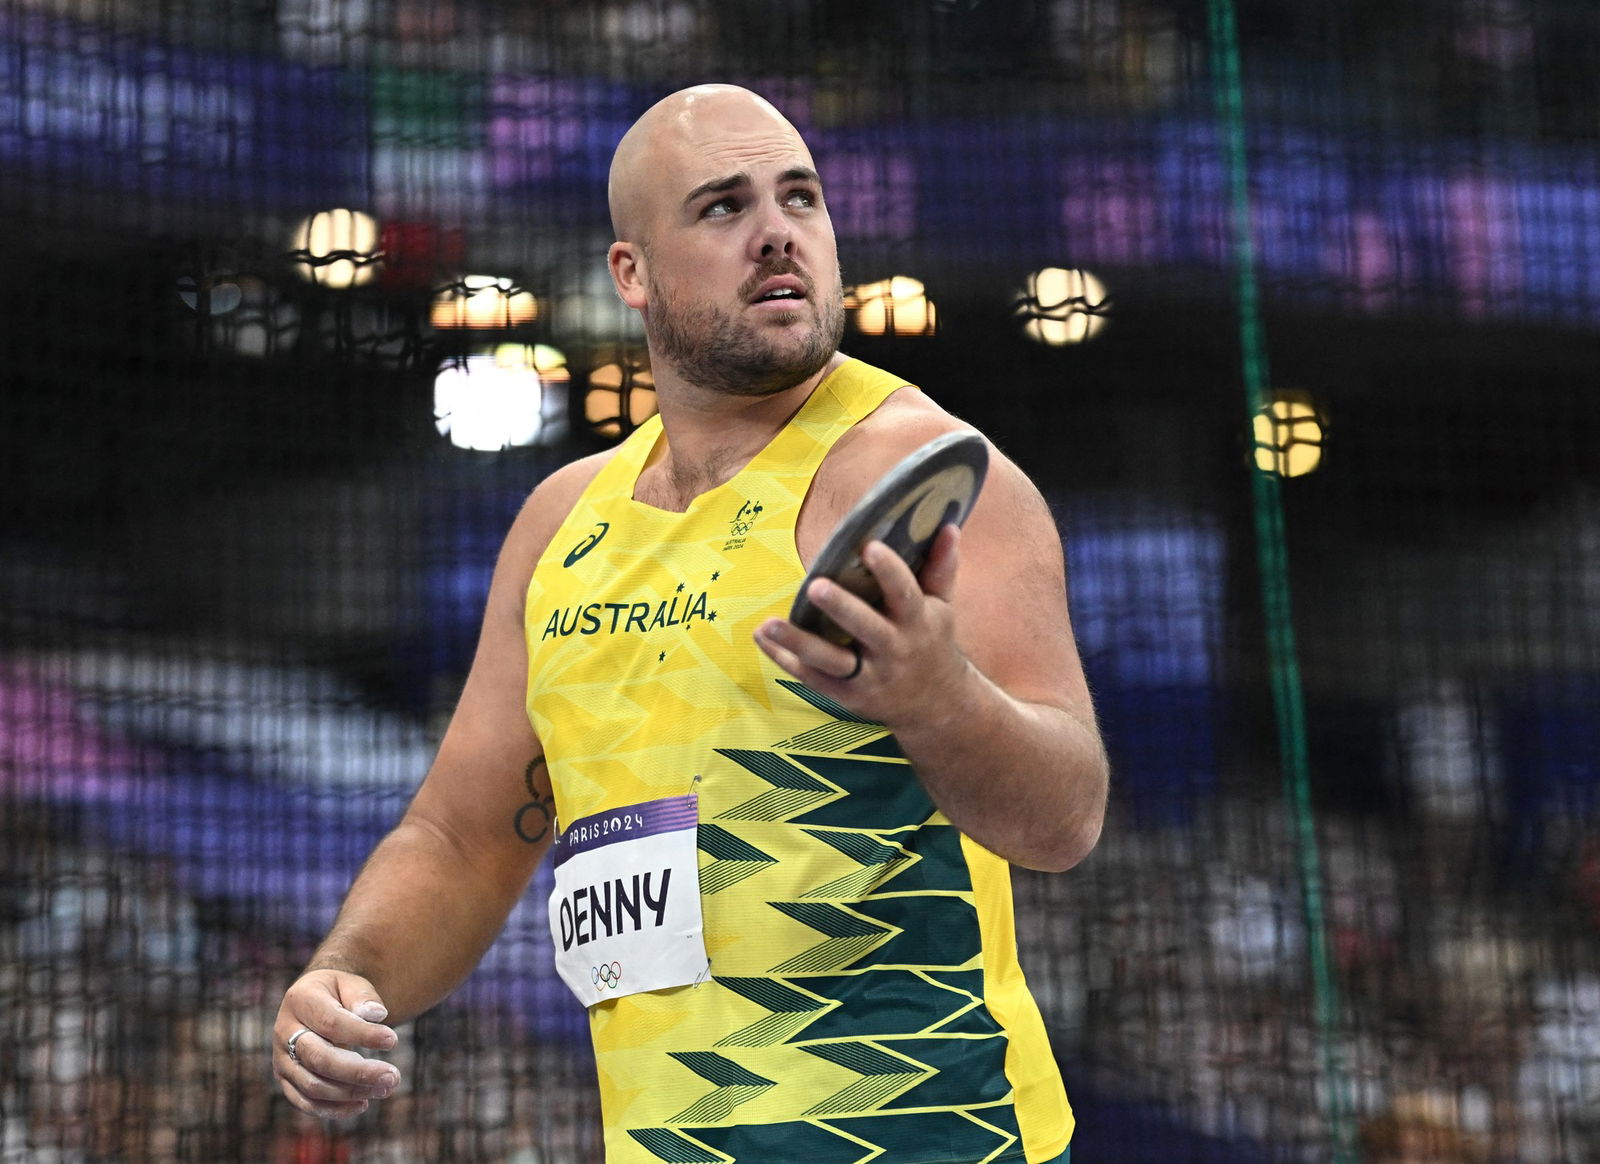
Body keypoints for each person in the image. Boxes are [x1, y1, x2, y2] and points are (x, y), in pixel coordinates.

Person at [272, 83, 1108, 1164]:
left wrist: (938, 698)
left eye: (800, 199)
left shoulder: (919, 473)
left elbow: (1065, 820)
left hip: (927, 1141)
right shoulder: (560, 525)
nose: (776, 234)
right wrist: (348, 976)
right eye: (722, 208)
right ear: (632, 272)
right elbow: (464, 835)